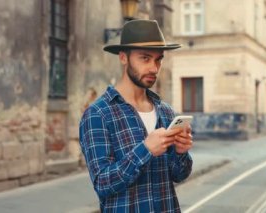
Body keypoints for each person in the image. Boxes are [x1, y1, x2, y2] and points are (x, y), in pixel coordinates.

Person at [79, 20, 193, 212]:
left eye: (158, 59)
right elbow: (103, 184)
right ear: (123, 58)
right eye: (145, 58)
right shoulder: (98, 114)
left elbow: (179, 175)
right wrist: (145, 149)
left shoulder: (165, 111)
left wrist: (181, 152)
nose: (154, 68)